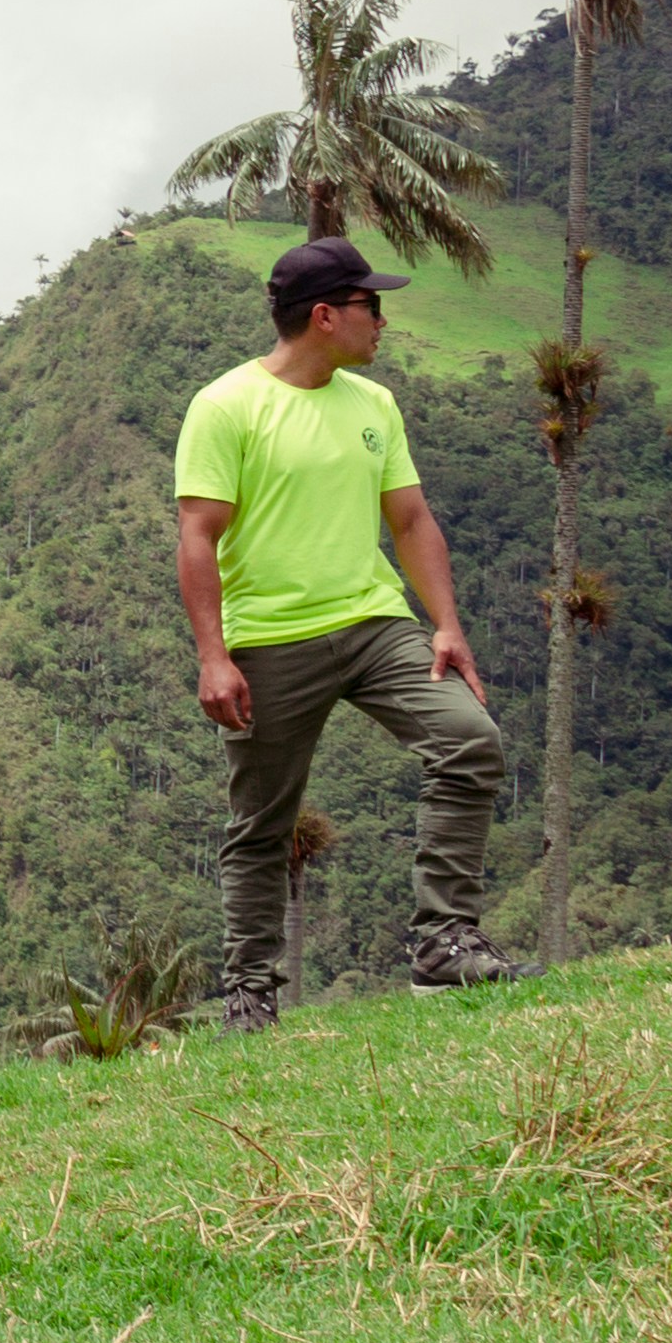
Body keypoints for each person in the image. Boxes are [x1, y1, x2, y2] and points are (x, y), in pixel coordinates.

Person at [172, 235, 517, 1030]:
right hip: (270, 642)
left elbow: (411, 518)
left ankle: (445, 946)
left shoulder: (375, 405)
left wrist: (447, 626)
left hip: (374, 624)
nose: (383, 321)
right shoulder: (227, 406)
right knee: (262, 821)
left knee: (470, 743)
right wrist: (214, 657)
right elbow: (197, 536)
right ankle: (251, 994)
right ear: (325, 316)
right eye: (371, 306)